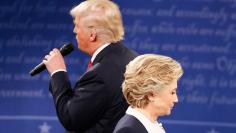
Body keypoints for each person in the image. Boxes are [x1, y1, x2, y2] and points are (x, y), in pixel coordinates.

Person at [42, 0, 138, 132]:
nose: (74, 30)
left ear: (92, 34)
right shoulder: (133, 58)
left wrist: (58, 72)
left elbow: (70, 118)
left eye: (77, 25)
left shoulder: (100, 74)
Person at [113, 54, 183, 133]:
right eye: (172, 92)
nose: (176, 99)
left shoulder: (149, 124)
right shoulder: (129, 130)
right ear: (151, 95)